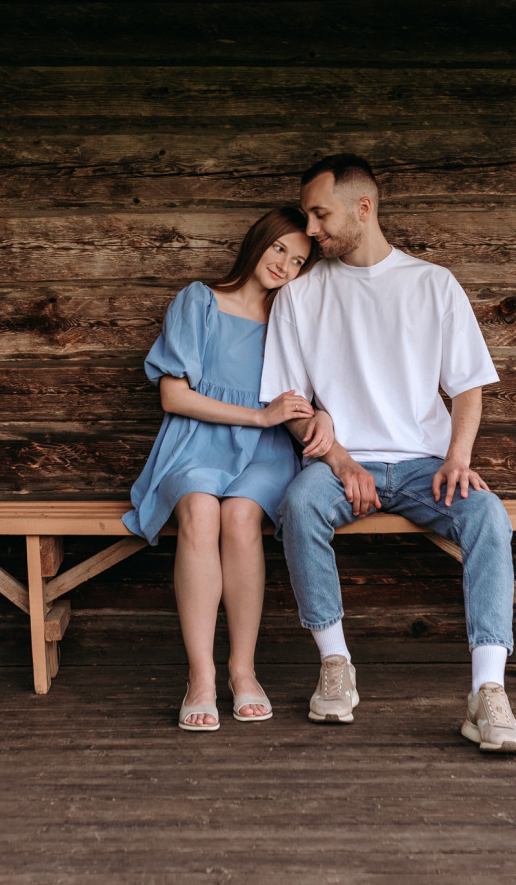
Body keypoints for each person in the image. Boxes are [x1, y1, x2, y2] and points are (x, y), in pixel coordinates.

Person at [260, 155, 516, 753]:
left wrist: (458, 458)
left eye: (320, 213)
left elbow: (467, 388)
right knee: (299, 504)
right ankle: (336, 665)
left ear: (364, 208)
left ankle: (488, 694)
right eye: (306, 215)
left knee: (488, 515)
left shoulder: (433, 284)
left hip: (423, 466)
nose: (309, 229)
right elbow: (292, 405)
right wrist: (341, 463)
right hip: (338, 465)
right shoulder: (300, 297)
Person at [123, 208, 325, 732]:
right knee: (199, 509)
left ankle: (242, 670)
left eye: (299, 260)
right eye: (280, 248)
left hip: (265, 451)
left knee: (240, 519)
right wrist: (257, 414)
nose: (285, 265)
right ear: (259, 242)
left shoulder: (290, 320)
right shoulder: (200, 301)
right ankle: (201, 677)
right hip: (196, 441)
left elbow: (314, 389)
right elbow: (172, 394)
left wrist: (319, 411)